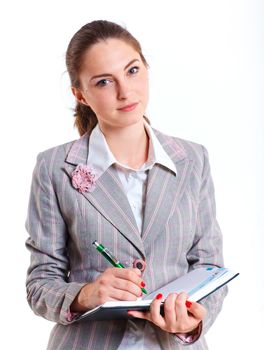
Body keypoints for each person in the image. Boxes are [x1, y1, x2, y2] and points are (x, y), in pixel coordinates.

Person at [25, 20, 227, 350]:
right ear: (80, 95)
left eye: (132, 71)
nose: (125, 91)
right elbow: (39, 284)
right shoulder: (54, 168)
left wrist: (194, 320)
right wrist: (85, 294)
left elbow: (210, 265)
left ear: (146, 68)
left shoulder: (192, 159)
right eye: (104, 81)